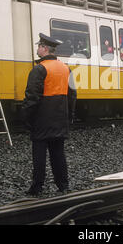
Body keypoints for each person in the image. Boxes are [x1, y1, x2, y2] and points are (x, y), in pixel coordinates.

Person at [22, 33, 77, 196]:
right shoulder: (66, 68)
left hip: (42, 120)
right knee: (58, 153)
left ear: (45, 49)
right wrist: (69, 116)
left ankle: (37, 187)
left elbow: (32, 97)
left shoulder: (39, 69)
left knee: (39, 154)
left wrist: (25, 117)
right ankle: (63, 185)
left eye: (39, 46)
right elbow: (72, 95)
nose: (37, 49)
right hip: (60, 119)